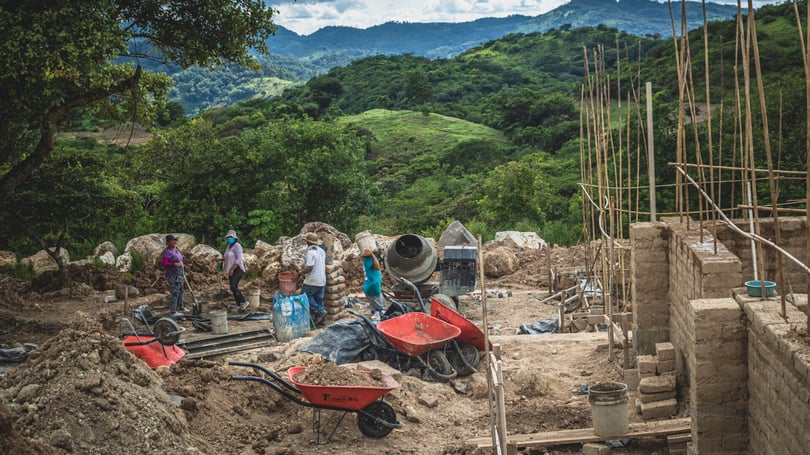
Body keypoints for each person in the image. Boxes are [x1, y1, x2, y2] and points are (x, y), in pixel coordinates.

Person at [301, 232, 327, 327]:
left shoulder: (310, 252)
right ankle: (323, 320)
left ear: (308, 242)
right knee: (318, 299)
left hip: (312, 280)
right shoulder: (321, 251)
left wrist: (300, 274)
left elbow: (310, 267)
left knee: (305, 296)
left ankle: (320, 312)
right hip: (322, 280)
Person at [223, 229, 250, 311]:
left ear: (234, 238)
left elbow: (238, 260)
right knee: (233, 288)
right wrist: (224, 268)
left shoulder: (237, 246)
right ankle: (238, 305)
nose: (229, 239)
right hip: (230, 270)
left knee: (233, 286)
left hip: (237, 269)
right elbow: (226, 258)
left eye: (231, 237)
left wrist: (231, 269)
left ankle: (244, 301)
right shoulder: (228, 246)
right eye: (228, 237)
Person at [162, 234, 187, 318]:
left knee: (181, 291)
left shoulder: (176, 250)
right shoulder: (167, 252)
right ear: (168, 242)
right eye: (172, 241)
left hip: (179, 274)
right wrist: (173, 264)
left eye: (174, 240)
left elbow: (181, 260)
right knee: (175, 292)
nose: (174, 242)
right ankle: (173, 311)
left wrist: (183, 272)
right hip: (172, 275)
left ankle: (181, 307)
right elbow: (165, 263)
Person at [362, 247, 386, 320]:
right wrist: (372, 254)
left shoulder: (369, 259)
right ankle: (380, 317)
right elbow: (377, 267)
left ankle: (376, 314)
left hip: (370, 285)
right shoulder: (369, 260)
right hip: (372, 285)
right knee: (380, 306)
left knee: (375, 304)